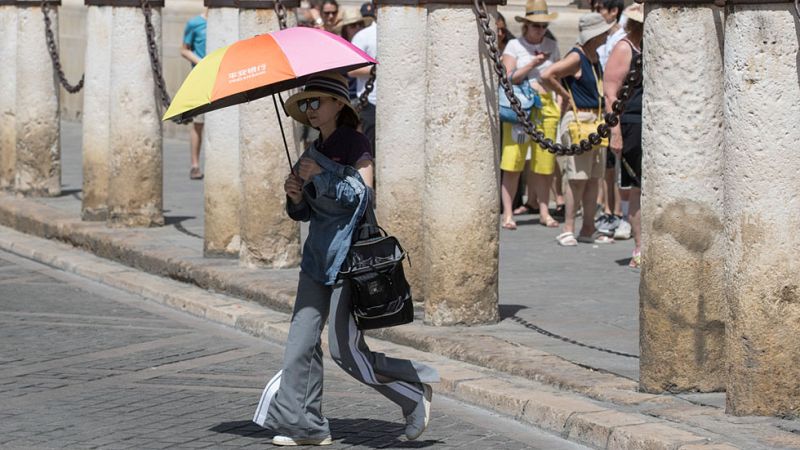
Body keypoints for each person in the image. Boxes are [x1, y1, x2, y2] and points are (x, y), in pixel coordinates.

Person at [252, 72, 438, 447]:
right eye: (304, 104)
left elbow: (364, 195)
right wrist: (295, 195)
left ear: (338, 103)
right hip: (316, 260)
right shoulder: (312, 146)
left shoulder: (354, 142)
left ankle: (412, 391)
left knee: (345, 351)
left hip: (348, 262)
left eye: (315, 102)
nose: (309, 110)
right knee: (300, 344)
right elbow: (305, 213)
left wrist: (323, 172)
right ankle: (306, 426)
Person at [541, 12, 613, 246]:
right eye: (603, 32)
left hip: (595, 120)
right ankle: (568, 227)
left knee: (593, 178)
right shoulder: (577, 57)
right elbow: (547, 74)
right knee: (576, 178)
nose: (607, 35)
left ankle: (588, 227)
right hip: (579, 119)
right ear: (595, 35)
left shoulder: (594, 57)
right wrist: (564, 95)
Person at [498, 0, 561, 230]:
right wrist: (533, 64)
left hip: (546, 105)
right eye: (536, 26)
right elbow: (508, 77)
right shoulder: (514, 46)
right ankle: (508, 214)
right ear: (526, 25)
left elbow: (557, 76)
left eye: (544, 26)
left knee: (545, 163)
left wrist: (561, 99)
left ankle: (545, 211)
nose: (541, 30)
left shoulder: (552, 45)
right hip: (520, 107)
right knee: (513, 162)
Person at [605, 4, 644, 267]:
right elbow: (610, 92)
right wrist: (615, 131)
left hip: (650, 120)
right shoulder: (625, 47)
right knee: (638, 187)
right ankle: (640, 247)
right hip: (631, 121)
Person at [594, 0, 628, 237]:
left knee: (618, 160)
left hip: (618, 104)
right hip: (602, 102)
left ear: (613, 11)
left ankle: (618, 211)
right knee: (606, 161)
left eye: (600, 9)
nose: (597, 13)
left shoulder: (621, 39)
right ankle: (607, 207)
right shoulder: (601, 38)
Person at [181, 8, 207, 180]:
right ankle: (195, 164)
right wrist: (202, 62)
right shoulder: (195, 23)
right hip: (201, 78)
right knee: (199, 122)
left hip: (224, 77)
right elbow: (184, 49)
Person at [348, 9, 377, 153]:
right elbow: (352, 69)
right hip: (371, 100)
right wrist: (379, 68)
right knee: (368, 151)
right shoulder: (363, 36)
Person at [335, 7, 372, 99]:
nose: (358, 28)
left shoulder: (368, 46)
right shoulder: (339, 49)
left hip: (366, 96)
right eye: (353, 25)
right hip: (347, 97)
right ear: (345, 30)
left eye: (360, 24)